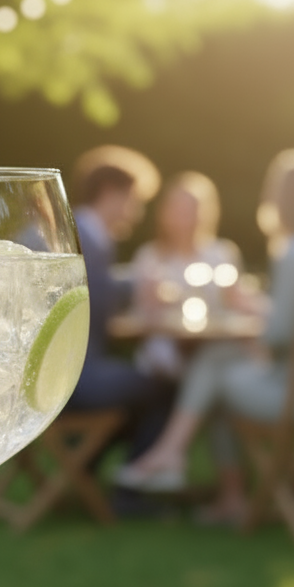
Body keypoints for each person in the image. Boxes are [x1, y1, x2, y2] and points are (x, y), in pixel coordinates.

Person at [115, 148, 294, 521]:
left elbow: (279, 336)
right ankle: (201, 478)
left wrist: (251, 309)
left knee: (216, 373)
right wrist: (256, 311)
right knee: (220, 366)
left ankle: (180, 461)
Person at [64, 146, 175, 478]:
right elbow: (94, 304)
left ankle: (84, 467)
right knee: (165, 389)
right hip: (73, 378)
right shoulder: (83, 236)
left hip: (59, 372)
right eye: (135, 200)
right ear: (111, 194)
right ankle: (132, 487)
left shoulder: (85, 234)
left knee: (142, 388)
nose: (137, 212)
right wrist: (138, 288)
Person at [130, 171, 244, 380]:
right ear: (164, 213)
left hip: (214, 344)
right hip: (165, 347)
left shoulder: (222, 254)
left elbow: (235, 306)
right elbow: (141, 314)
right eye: (178, 210)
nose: (185, 218)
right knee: (160, 358)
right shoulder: (149, 257)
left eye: (191, 210)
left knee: (217, 360)